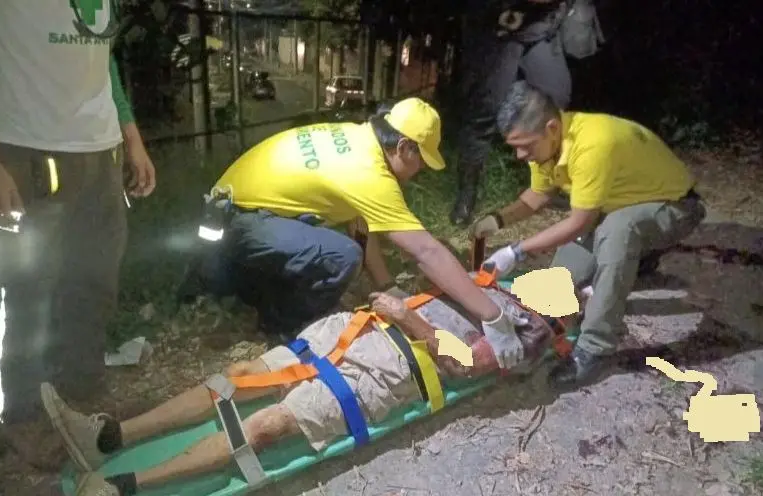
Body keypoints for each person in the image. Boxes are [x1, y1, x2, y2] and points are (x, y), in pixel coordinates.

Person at [40, 281, 561, 496]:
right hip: (358, 330)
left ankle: (123, 486)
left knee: (268, 425)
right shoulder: (487, 282)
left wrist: (409, 318)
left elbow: (464, 366)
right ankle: (110, 436)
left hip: (392, 370)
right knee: (240, 375)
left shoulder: (528, 332)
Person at [0, 0, 156, 467]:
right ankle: (22, 417)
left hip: (102, 153)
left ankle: (85, 394)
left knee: (94, 287)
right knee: (26, 298)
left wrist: (131, 137)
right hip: (25, 152)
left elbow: (102, 56)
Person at [176, 98, 526, 371]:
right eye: (421, 160)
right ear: (404, 147)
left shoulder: (357, 137)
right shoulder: (368, 173)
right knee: (343, 256)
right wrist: (493, 316)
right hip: (241, 222)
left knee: (334, 245)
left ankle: (231, 278)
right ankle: (281, 325)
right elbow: (426, 252)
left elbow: (362, 219)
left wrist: (387, 285)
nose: (421, 170)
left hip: (228, 209)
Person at [473, 81, 707, 389]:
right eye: (515, 146)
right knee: (561, 279)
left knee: (619, 230)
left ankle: (595, 349)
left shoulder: (594, 143)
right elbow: (538, 195)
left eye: (525, 146)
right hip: (617, 205)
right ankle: (628, 265)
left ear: (552, 127)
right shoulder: (546, 146)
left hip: (675, 206)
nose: (519, 155)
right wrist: (498, 219)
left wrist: (516, 251)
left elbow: (580, 222)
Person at [449, 0, 577, 226]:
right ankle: (466, 196)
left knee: (555, 100)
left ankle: (550, 183)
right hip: (497, 30)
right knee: (484, 111)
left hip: (541, 29)